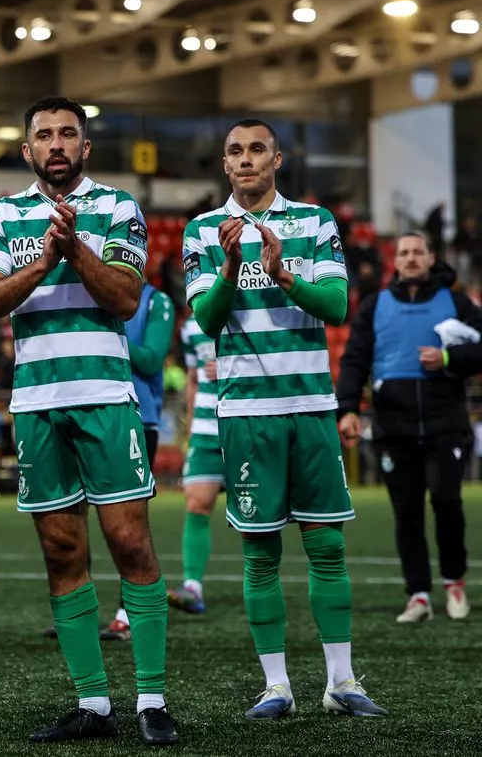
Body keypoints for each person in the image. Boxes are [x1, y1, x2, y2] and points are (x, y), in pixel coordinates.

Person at [0, 96, 177, 745]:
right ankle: (93, 704)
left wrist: (75, 249)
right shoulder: (4, 215)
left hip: (106, 399)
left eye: (67, 134)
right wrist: (43, 260)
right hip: (36, 404)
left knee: (131, 543)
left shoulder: (118, 207)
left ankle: (151, 699)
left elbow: (122, 296)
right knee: (62, 551)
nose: (56, 143)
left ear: (86, 147)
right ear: (26, 149)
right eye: (43, 135)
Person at [182, 118, 385, 719]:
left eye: (256, 150)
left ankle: (342, 682)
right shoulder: (202, 231)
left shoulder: (314, 222)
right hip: (246, 413)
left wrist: (282, 274)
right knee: (260, 553)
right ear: (225, 165)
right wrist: (227, 268)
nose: (245, 160)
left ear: (277, 159)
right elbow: (208, 323)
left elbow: (335, 305)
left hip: (312, 407)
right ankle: (276, 687)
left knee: (326, 545)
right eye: (235, 152)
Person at [336, 231, 482, 623]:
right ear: (394, 261)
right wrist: (347, 409)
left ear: (431, 258)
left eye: (419, 252)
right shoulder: (374, 306)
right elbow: (354, 361)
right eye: (404, 253)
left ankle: (453, 583)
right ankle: (418, 594)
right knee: (407, 512)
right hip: (393, 425)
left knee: (447, 501)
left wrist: (450, 357)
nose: (412, 258)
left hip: (445, 423)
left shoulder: (454, 301)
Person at [100, 282, 173, 641]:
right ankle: (79, 611)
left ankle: (127, 613)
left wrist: (97, 337)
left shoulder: (155, 300)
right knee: (74, 512)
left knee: (130, 522)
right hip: (93, 411)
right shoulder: (87, 289)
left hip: (139, 418)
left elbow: (151, 358)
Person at [167, 313, 224, 615]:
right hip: (204, 430)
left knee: (257, 517)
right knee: (196, 505)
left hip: (245, 427)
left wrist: (232, 367)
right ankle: (193, 586)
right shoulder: (190, 326)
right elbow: (192, 379)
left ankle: (261, 582)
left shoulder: (249, 310)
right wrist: (189, 429)